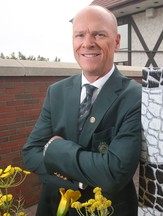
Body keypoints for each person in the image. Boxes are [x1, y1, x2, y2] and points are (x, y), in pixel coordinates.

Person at [22, 5, 141, 216]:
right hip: (52, 207)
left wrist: (54, 148)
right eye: (80, 35)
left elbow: (114, 173)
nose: (87, 43)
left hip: (108, 210)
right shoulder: (56, 92)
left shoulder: (134, 96)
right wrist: (79, 180)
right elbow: (31, 153)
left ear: (116, 41)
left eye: (99, 34)